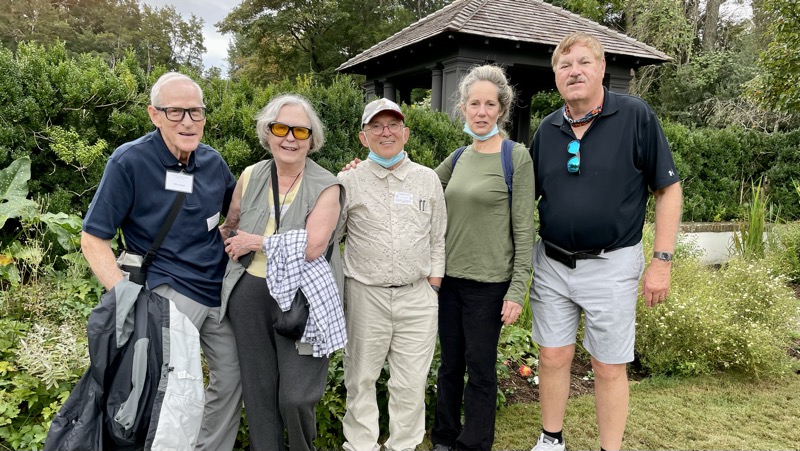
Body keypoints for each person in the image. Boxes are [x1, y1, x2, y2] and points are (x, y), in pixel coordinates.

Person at [528, 32, 683, 451]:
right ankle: (551, 438)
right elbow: (521, 198)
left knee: (608, 365)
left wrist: (661, 261)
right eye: (564, 65)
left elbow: (668, 190)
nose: (574, 71)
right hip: (553, 264)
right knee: (552, 357)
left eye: (583, 62)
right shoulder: (548, 130)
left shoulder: (635, 116)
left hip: (612, 264)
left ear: (601, 68)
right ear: (556, 77)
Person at [81, 72, 242, 450]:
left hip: (217, 291)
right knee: (170, 392)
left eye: (196, 112)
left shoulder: (213, 163)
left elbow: (240, 210)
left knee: (233, 379)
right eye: (175, 112)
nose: (187, 121)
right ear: (154, 115)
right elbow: (93, 238)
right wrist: (127, 296)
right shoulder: (130, 161)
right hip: (167, 293)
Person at [219, 94, 346, 451]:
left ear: (312, 139)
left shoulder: (327, 184)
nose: (289, 138)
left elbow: (313, 246)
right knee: (258, 392)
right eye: (280, 128)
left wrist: (255, 241)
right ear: (268, 133)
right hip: (250, 294)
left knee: (296, 395)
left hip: (303, 300)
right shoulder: (251, 175)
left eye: (300, 131)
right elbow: (230, 226)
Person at [431, 65, 536, 451]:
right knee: (449, 366)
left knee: (480, 371)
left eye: (489, 104)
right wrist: (371, 168)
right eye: (474, 103)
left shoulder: (515, 157)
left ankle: (473, 443)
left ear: (501, 110)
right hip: (448, 282)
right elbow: (420, 184)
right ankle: (443, 437)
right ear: (462, 108)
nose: (481, 111)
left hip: (489, 286)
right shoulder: (457, 158)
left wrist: (516, 289)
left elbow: (525, 229)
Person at [337, 98, 447, 451]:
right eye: (376, 126)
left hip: (417, 296)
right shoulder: (347, 180)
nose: (386, 132)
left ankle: (404, 445)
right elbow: (332, 236)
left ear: (406, 133)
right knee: (360, 378)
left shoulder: (427, 180)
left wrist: (433, 287)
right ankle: (361, 445)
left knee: (411, 383)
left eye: (393, 125)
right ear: (363, 136)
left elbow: (438, 238)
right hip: (365, 295)